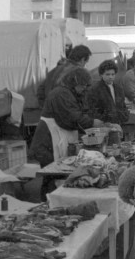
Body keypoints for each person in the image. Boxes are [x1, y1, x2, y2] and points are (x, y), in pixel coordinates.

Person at [29, 68, 103, 198]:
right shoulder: (61, 94)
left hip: (54, 141)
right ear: (74, 82)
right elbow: (72, 117)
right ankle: (48, 203)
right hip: (47, 142)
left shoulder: (70, 93)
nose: (84, 89)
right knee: (51, 176)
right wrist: (92, 123)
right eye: (83, 86)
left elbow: (80, 112)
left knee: (55, 175)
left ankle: (54, 201)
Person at [37, 44, 92, 108]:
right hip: (68, 113)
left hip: (50, 111)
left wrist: (45, 107)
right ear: (83, 60)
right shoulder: (81, 72)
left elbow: (40, 91)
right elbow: (87, 96)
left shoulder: (54, 70)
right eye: (86, 62)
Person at [87, 59, 129, 126]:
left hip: (119, 124)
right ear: (101, 75)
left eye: (113, 74)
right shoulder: (95, 89)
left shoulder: (119, 88)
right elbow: (92, 109)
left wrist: (125, 116)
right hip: (103, 125)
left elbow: (123, 105)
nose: (111, 77)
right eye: (107, 74)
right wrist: (104, 121)